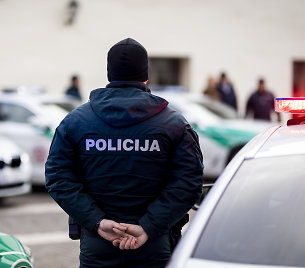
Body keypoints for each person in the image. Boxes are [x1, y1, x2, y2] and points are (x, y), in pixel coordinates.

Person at [45, 38, 203, 268]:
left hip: (98, 243)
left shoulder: (75, 122)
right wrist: (148, 226)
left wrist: (97, 221)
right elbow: (189, 182)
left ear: (110, 75)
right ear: (145, 76)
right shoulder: (174, 124)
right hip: (155, 243)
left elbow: (58, 177)